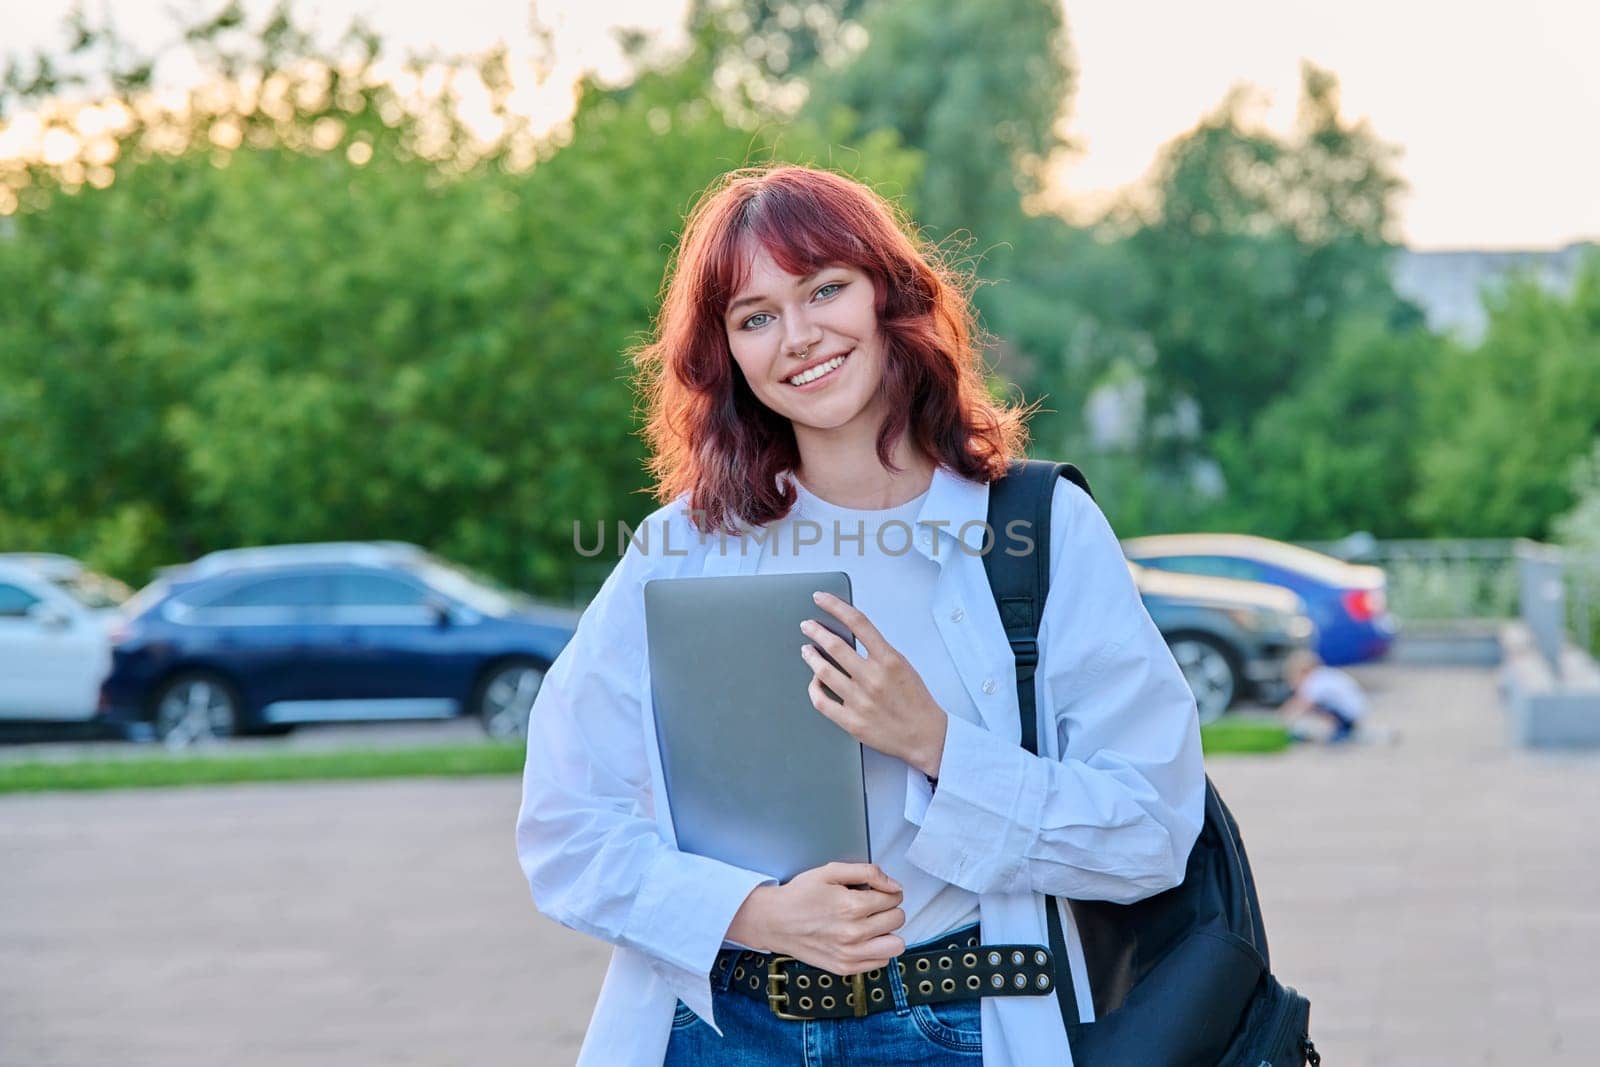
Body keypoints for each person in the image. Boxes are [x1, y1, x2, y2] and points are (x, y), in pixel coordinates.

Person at [515, 164, 1205, 1066]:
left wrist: (937, 744)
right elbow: (564, 827)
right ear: (726, 354)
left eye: (825, 289)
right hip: (724, 1028)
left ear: (890, 295)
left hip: (956, 1024)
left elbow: (1152, 829)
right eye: (755, 316)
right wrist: (755, 914)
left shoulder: (1036, 528)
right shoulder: (681, 546)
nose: (798, 337)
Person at [1279, 649, 1369, 744]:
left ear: (1303, 671)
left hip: (1349, 714)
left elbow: (1302, 703)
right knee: (1316, 707)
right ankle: (1342, 729)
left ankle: (1342, 730)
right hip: (1355, 711)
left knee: (1313, 707)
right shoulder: (1323, 674)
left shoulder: (1314, 680)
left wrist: (1282, 720)